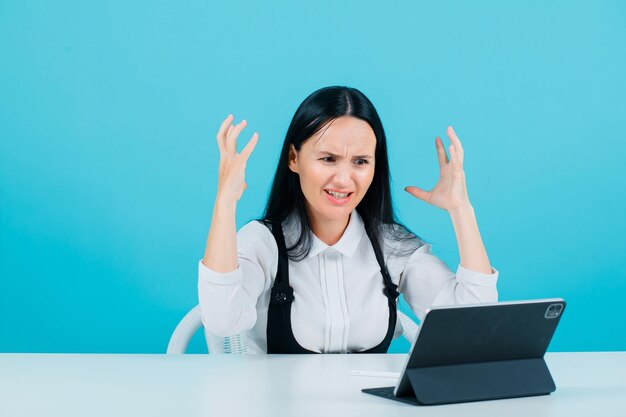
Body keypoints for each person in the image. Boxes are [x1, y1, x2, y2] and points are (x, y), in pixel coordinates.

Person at [198, 86, 498, 354]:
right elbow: (222, 320)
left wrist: (461, 210)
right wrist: (225, 202)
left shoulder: (392, 247)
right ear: (294, 159)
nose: (344, 179)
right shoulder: (263, 243)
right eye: (328, 159)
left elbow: (475, 327)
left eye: (360, 161)